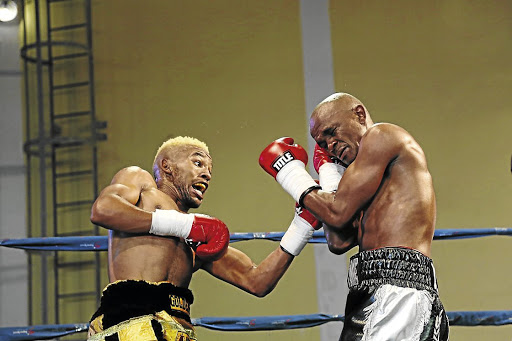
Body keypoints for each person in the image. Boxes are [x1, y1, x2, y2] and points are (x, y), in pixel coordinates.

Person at [87, 136, 320, 341]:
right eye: (197, 163)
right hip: (131, 322)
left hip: (178, 330)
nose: (206, 174)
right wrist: (185, 225)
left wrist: (301, 226)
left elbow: (257, 281)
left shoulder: (201, 238)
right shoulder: (142, 185)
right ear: (166, 166)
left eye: (209, 169)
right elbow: (103, 209)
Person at [259, 93, 449, 341]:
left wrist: (289, 172)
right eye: (323, 142)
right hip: (372, 289)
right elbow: (338, 241)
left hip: (399, 289)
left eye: (331, 132)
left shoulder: (382, 135)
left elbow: (336, 214)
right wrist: (329, 171)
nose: (330, 145)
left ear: (359, 114)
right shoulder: (362, 174)